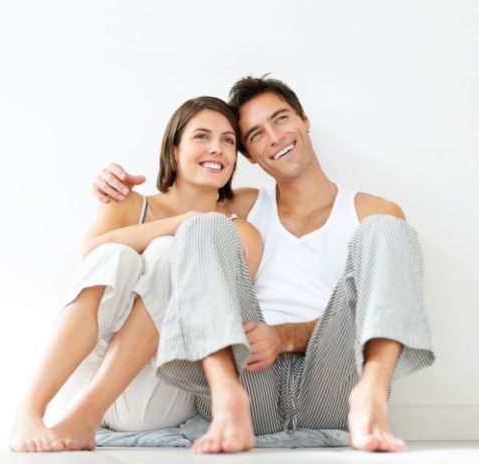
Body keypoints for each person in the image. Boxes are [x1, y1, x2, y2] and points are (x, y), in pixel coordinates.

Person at [94, 75, 436, 453]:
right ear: (249, 156)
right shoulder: (239, 206)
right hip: (248, 375)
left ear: (303, 121)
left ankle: (370, 398)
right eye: (255, 135)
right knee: (204, 226)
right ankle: (227, 402)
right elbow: (176, 220)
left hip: (337, 380)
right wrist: (119, 190)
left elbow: (381, 305)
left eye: (281, 119)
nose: (273, 137)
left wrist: (285, 336)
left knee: (389, 230)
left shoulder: (372, 212)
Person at [9, 96, 262, 452]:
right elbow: (91, 255)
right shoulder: (129, 203)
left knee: (168, 251)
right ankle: (30, 409)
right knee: (113, 255)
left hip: (156, 394)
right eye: (202, 136)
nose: (216, 149)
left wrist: (189, 232)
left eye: (228, 141)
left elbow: (216, 315)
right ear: (174, 151)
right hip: (87, 373)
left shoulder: (240, 233)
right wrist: (181, 223)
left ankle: (87, 416)